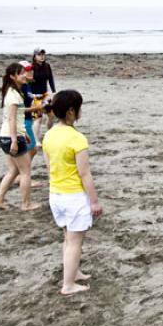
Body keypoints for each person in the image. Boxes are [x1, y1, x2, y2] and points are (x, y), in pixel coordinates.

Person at [43, 90, 103, 295]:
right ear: (71, 111)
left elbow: (48, 166)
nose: (81, 111)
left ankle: (74, 272)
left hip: (56, 194)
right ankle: (68, 284)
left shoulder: (49, 134)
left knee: (68, 237)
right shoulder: (77, 139)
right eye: (79, 107)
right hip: (73, 196)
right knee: (75, 241)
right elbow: (85, 174)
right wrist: (94, 202)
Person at [0, 63, 41, 211]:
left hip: (6, 136)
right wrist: (15, 140)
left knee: (13, 171)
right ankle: (26, 204)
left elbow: (18, 112)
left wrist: (34, 108)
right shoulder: (13, 94)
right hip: (11, 138)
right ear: (13, 76)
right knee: (25, 172)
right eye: (21, 74)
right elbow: (12, 119)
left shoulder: (12, 92)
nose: (25, 76)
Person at [31, 48, 56, 144]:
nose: (42, 56)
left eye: (43, 54)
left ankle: (49, 135)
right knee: (38, 118)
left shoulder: (47, 66)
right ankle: (36, 140)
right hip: (35, 96)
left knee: (51, 115)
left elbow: (50, 79)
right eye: (39, 55)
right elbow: (28, 82)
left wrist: (54, 92)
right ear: (34, 56)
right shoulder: (31, 67)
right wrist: (30, 96)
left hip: (45, 94)